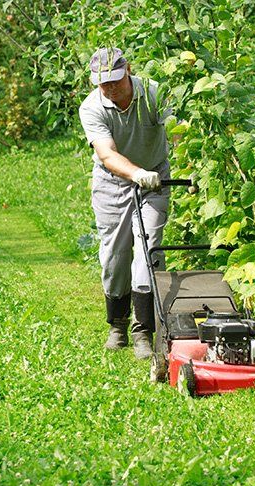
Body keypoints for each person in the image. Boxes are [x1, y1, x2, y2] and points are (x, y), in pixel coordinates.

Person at [79, 47, 171, 359]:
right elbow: (106, 153)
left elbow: (178, 131)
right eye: (103, 84)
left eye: (115, 81)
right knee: (114, 256)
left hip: (155, 179)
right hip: (112, 182)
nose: (111, 89)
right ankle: (117, 325)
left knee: (148, 249)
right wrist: (135, 173)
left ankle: (143, 331)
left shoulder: (154, 93)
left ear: (127, 70)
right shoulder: (92, 108)